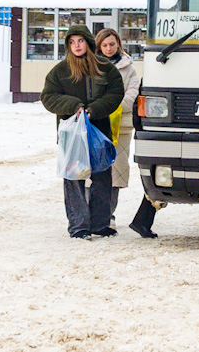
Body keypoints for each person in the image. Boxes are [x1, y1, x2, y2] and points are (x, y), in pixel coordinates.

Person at [41, 24, 124, 239]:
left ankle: (99, 224)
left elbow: (116, 92)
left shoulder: (105, 67)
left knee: (102, 177)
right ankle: (78, 226)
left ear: (87, 42)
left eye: (80, 41)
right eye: (71, 42)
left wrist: (95, 109)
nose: (76, 46)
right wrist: (73, 105)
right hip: (72, 136)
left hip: (99, 132)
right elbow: (48, 97)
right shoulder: (60, 71)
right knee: (74, 179)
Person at [95, 28, 158, 237]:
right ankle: (92, 214)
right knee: (93, 172)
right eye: (104, 45)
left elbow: (132, 93)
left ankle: (108, 215)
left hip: (119, 128)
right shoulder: (92, 66)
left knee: (115, 173)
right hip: (95, 125)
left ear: (118, 44)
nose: (109, 48)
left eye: (112, 44)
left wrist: (110, 104)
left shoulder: (128, 68)